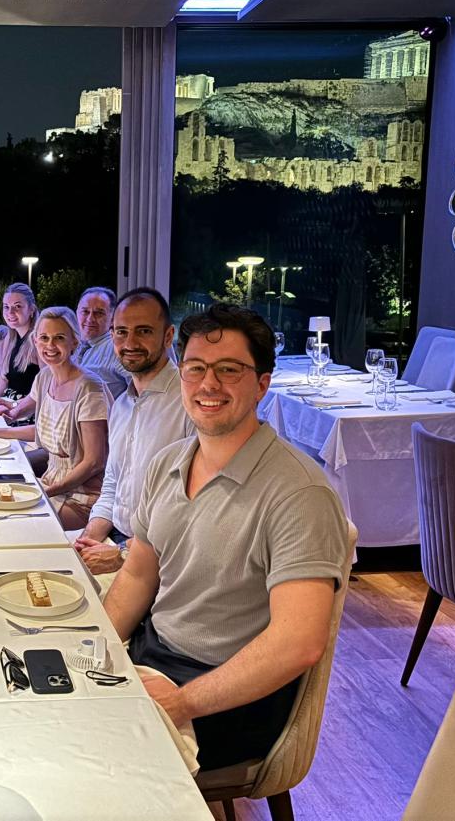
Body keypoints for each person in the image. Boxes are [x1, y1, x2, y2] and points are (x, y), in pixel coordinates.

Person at [103, 303, 348, 772]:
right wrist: (99, 655)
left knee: (96, 772)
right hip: (153, 655)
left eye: (229, 370)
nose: (208, 384)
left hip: (227, 699)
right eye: (195, 369)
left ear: (262, 383)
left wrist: (182, 704)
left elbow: (298, 643)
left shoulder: (300, 493)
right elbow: (136, 577)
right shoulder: (168, 463)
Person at [74, 288, 193, 575]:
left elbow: (194, 509)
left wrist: (122, 553)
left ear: (168, 336)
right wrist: (90, 536)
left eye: (143, 332)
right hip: (117, 540)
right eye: (121, 332)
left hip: (163, 562)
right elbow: (113, 482)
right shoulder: (123, 404)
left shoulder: (189, 402)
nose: (130, 343)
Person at [0, 307, 109, 530]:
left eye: (59, 338)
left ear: (74, 342)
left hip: (82, 497)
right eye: (44, 338)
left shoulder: (89, 387)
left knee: (11, 526)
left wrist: (45, 491)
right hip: (52, 480)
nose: (50, 346)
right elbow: (34, 422)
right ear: (35, 341)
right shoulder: (44, 377)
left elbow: (94, 462)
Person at [75, 287, 130, 399]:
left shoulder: (116, 347)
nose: (90, 319)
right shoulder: (73, 345)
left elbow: (142, 389)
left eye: (99, 313)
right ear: (76, 313)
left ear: (112, 318)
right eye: (85, 311)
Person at [0, 282, 40, 409]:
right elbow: (4, 379)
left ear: (31, 310)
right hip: (7, 408)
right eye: (6, 307)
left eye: (17, 306)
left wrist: (13, 406)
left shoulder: (39, 341)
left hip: (27, 414)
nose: (10, 312)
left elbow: (45, 392)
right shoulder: (10, 337)